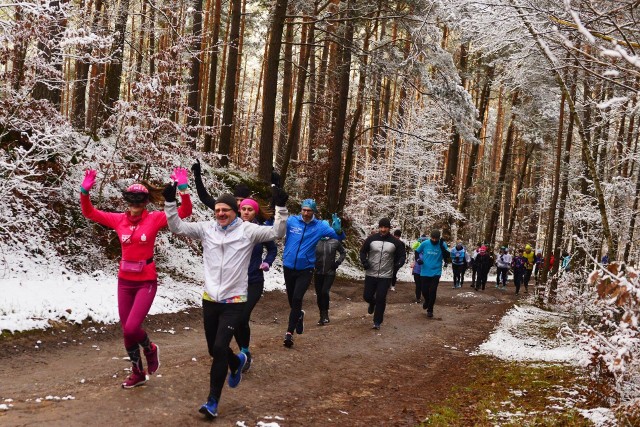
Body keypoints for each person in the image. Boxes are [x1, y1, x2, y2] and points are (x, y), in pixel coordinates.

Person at [164, 182, 289, 419]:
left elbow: (277, 233)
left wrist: (281, 207)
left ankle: (212, 401)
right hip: (210, 299)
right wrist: (171, 203)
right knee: (214, 349)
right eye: (218, 210)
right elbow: (176, 226)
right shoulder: (206, 229)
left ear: (235, 211)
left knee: (220, 347)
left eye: (226, 210)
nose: (221, 214)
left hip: (235, 300)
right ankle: (236, 362)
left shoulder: (247, 231)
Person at [79, 167, 193, 388]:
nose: (134, 206)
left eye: (139, 202)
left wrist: (183, 189)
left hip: (146, 281)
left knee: (132, 328)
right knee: (127, 331)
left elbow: (184, 212)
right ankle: (137, 371)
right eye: (131, 202)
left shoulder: (155, 219)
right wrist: (84, 193)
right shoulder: (118, 220)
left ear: (145, 203)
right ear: (126, 202)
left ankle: (150, 349)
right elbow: (90, 213)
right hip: (125, 281)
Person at [282, 200, 345, 347]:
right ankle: (299, 315)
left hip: (306, 268)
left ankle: (289, 333)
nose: (305, 213)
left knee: (297, 298)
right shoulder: (291, 221)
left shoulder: (320, 226)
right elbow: (276, 229)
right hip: (288, 266)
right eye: (303, 210)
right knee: (292, 300)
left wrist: (339, 230)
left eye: (309, 211)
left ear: (314, 212)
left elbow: (339, 238)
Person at [233, 198, 277, 373]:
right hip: (235, 282)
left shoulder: (261, 231)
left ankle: (244, 352)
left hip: (254, 281)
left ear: (255, 212)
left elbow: (272, 249)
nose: (245, 212)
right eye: (243, 209)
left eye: (250, 209)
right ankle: (244, 350)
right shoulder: (232, 228)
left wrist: (267, 262)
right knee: (236, 320)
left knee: (242, 317)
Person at [359, 218, 406, 329]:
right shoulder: (371, 239)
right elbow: (362, 251)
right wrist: (364, 261)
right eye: (381, 227)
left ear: (389, 228)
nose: (383, 229)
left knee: (381, 297)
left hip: (386, 275)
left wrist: (399, 264)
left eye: (385, 227)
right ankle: (372, 302)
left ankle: (377, 322)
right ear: (379, 227)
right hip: (371, 272)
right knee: (367, 296)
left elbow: (402, 255)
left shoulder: (395, 242)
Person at [314, 221, 346, 325]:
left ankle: (325, 314)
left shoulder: (335, 241)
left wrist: (337, 263)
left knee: (324, 292)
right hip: (317, 271)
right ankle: (321, 316)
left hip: (330, 272)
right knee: (319, 294)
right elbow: (307, 252)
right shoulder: (315, 241)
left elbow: (343, 252)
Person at [415, 229, 450, 318]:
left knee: (433, 290)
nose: (434, 240)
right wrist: (418, 259)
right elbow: (417, 252)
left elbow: (447, 256)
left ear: (439, 238)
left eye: (436, 239)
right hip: (425, 271)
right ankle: (427, 301)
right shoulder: (425, 243)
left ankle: (430, 310)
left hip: (436, 271)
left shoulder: (442, 244)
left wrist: (442, 247)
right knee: (424, 290)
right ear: (431, 237)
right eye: (433, 238)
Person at [410, 235, 427, 303]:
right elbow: (413, 247)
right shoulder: (417, 249)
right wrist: (418, 241)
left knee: (424, 285)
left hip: (425, 271)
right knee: (418, 285)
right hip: (417, 270)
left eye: (424, 241)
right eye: (422, 241)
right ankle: (418, 298)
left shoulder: (428, 251)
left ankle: (426, 297)